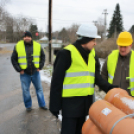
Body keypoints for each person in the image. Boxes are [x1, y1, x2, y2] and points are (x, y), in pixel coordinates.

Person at [49, 24, 118, 134]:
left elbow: (96, 77)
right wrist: (54, 105)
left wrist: (110, 88)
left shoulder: (92, 55)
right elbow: (56, 82)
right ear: (86, 40)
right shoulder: (66, 53)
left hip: (85, 104)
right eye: (94, 40)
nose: (95, 43)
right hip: (70, 106)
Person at [11, 31, 47, 111]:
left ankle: (42, 104)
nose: (26, 38)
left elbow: (43, 56)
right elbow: (13, 59)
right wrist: (19, 69)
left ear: (31, 37)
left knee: (39, 89)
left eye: (28, 36)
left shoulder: (37, 45)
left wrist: (40, 66)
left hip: (35, 72)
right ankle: (28, 106)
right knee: (25, 90)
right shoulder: (18, 46)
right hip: (24, 74)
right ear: (23, 37)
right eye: (25, 36)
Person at [101, 31, 134, 96]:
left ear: (130, 45)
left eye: (125, 47)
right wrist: (105, 89)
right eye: (120, 46)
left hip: (131, 100)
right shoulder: (111, 57)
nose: (122, 49)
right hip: (113, 97)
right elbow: (104, 74)